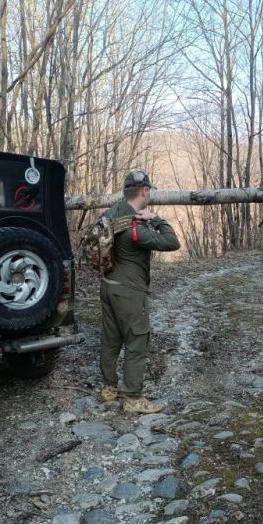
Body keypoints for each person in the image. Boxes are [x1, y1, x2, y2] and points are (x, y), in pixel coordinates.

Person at [99, 169, 180, 413]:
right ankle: (133, 398)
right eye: (149, 190)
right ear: (144, 191)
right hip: (130, 292)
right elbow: (171, 242)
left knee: (110, 339)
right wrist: (156, 219)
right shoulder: (136, 227)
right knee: (137, 341)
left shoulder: (113, 212)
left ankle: (108, 388)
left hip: (108, 286)